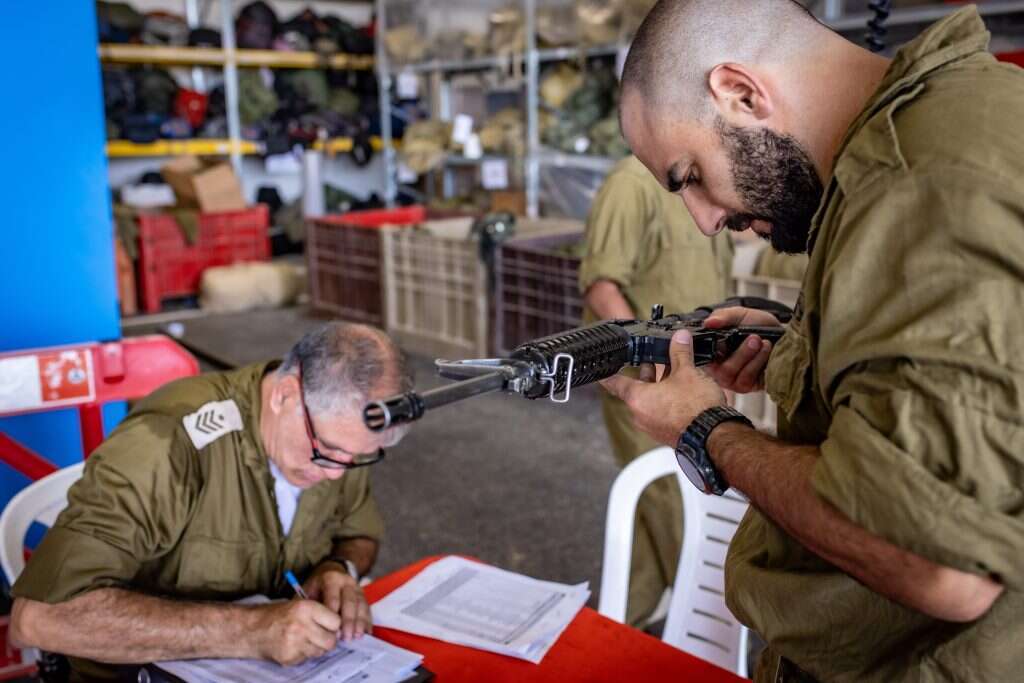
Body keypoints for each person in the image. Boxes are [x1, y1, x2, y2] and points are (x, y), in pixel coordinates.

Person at [605, 1, 1023, 681]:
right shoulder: (971, 112)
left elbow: (938, 563)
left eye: (690, 176)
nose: (707, 220)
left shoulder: (916, 186)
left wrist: (703, 428)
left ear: (740, 93)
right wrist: (802, 344)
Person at [10, 322, 412, 681]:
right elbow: (42, 618)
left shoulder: (332, 438)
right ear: (285, 394)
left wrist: (336, 568)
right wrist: (253, 630)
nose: (337, 473)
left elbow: (358, 532)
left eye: (357, 457)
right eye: (326, 450)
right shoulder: (168, 445)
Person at [579, 154, 733, 627]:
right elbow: (602, 286)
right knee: (677, 501)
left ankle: (618, 627)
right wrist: (646, 362)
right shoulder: (631, 183)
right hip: (650, 386)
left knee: (653, 509)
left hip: (693, 379)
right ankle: (709, 632)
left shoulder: (700, 186)